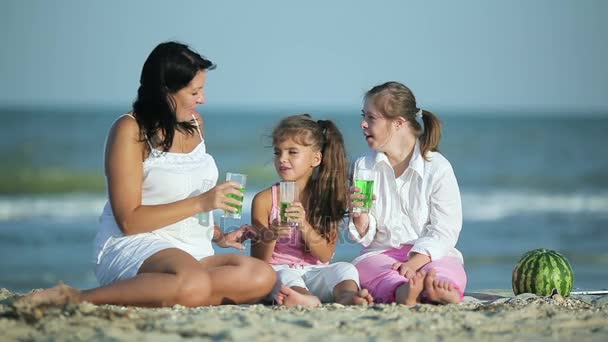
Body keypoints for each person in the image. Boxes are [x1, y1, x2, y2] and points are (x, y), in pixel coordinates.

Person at [16, 41, 276, 308]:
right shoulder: (129, 130)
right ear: (166, 91)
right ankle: (77, 297)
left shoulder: (196, 124)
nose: (203, 99)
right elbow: (129, 220)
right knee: (194, 282)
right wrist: (204, 202)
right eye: (195, 91)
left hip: (192, 250)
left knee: (261, 275)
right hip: (138, 245)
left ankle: (176, 291)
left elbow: (187, 193)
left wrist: (218, 234)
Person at [349, 81, 467, 305]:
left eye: (371, 118)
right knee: (364, 268)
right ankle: (404, 290)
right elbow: (366, 237)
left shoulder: (437, 167)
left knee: (448, 267)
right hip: (382, 255)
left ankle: (439, 287)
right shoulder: (364, 165)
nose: (363, 124)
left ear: (398, 123)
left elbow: (445, 229)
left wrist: (413, 263)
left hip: (429, 255)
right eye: (364, 116)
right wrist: (359, 217)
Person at [250, 114, 373, 307]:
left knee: (345, 268)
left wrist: (304, 224)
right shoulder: (264, 200)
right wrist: (270, 234)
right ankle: (303, 298)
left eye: (292, 152)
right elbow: (258, 261)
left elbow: (324, 255)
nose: (282, 159)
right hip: (279, 271)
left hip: (314, 271)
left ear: (315, 159)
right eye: (277, 152)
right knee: (285, 274)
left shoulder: (326, 198)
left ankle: (348, 297)